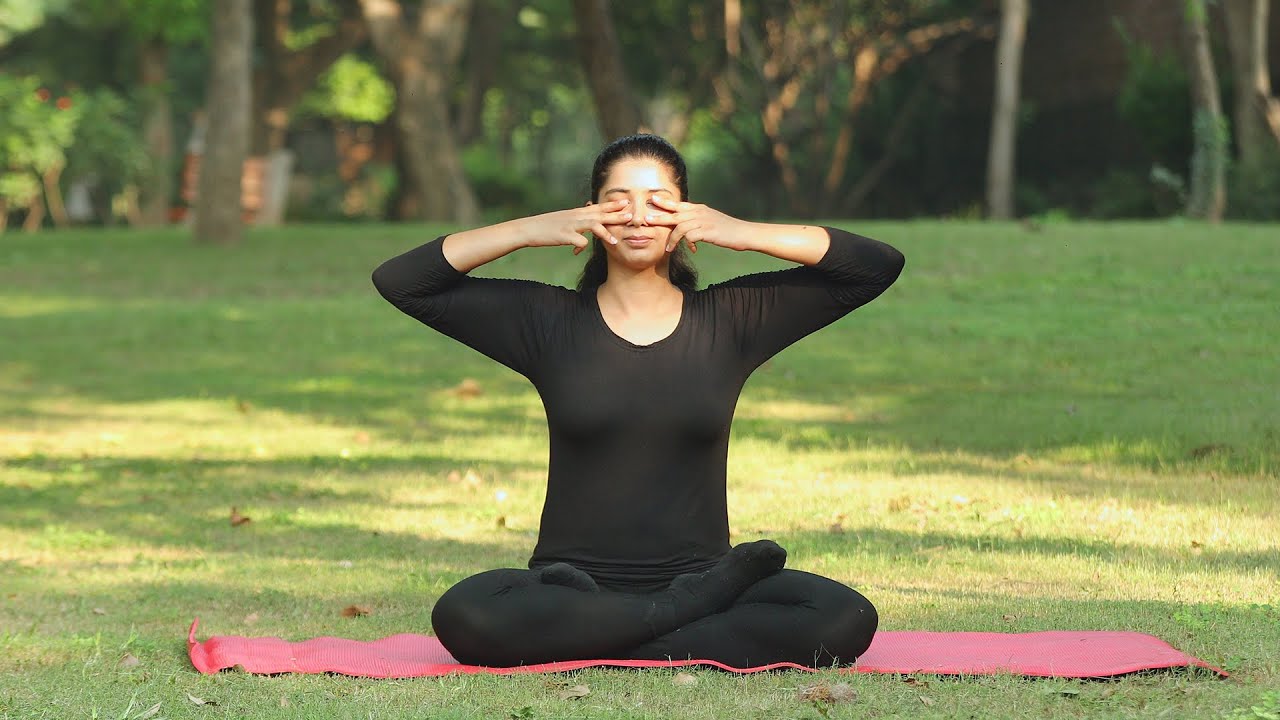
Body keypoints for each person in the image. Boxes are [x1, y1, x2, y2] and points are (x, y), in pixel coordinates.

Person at [372, 134, 905, 669]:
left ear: (687, 214)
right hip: (572, 587)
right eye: (618, 200)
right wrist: (529, 230)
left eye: (658, 201)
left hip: (703, 574)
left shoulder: (732, 320)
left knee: (843, 617)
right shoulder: (547, 322)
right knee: (467, 615)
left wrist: (741, 233)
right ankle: (682, 616)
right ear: (591, 213)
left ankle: (622, 630)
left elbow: (875, 266)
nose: (637, 216)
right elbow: (403, 282)